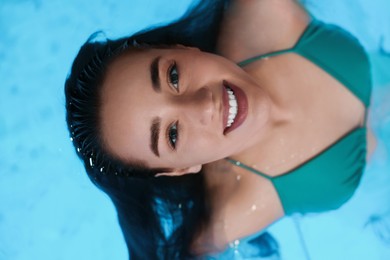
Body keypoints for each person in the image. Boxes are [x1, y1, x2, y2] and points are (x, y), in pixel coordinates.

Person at [65, 0, 373, 258]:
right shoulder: (238, 209)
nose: (205, 106)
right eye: (173, 135)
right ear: (181, 168)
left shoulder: (258, 13)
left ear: (181, 49)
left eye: (173, 76)